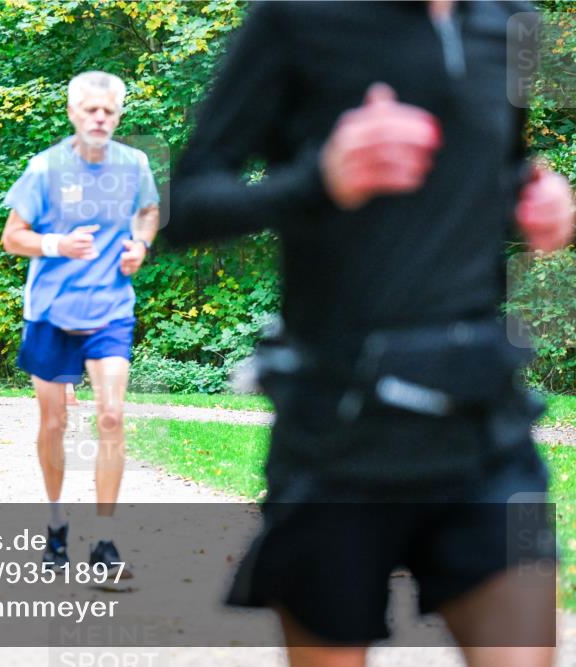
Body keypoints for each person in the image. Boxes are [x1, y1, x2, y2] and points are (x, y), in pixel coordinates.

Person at [165, 2, 574, 666]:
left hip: (486, 430)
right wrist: (318, 180)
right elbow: (182, 205)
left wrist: (539, 200)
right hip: (337, 435)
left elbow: (501, 166)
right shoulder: (296, 18)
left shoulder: (517, 25)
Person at [1, 71, 160, 580]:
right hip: (50, 310)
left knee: (111, 416)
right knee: (54, 424)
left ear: (119, 115)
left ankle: (106, 544)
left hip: (110, 308)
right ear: (73, 112)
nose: (100, 119)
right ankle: (56, 526)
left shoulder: (134, 164)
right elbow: (12, 237)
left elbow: (149, 212)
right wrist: (56, 245)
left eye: (109, 112)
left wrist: (140, 246)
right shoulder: (45, 168)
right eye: (90, 110)